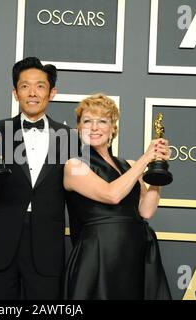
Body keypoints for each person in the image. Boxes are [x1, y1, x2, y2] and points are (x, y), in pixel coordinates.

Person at [0, 57, 77, 299]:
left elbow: (77, 195)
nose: (32, 93)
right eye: (25, 86)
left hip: (47, 246)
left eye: (40, 86)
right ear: (15, 92)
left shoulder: (70, 137)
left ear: (52, 93)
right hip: (0, 242)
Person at [63, 93, 172, 300]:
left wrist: (157, 170)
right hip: (99, 254)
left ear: (113, 128)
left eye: (102, 121)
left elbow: (145, 210)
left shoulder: (128, 165)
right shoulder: (74, 165)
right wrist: (146, 158)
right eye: (87, 121)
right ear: (78, 128)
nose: (94, 127)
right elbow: (111, 194)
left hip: (133, 252)